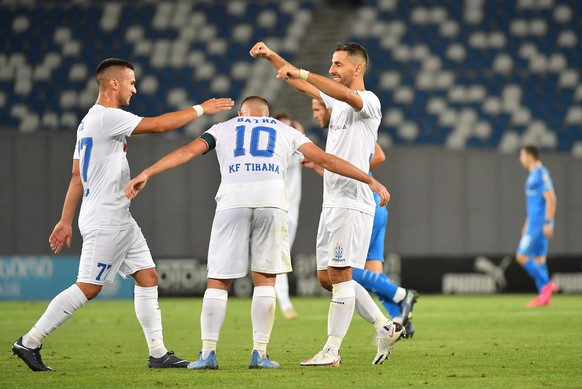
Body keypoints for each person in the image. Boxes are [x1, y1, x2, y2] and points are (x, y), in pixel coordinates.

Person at [124, 96, 390, 370]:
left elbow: (187, 152)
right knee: (265, 280)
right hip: (272, 203)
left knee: (218, 281)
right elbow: (326, 159)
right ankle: (259, 354)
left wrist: (148, 172)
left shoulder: (223, 128)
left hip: (232, 202)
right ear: (269, 115)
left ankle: (207, 354)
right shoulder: (286, 130)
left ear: (242, 113)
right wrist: (368, 178)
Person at [11, 58, 234, 372]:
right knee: (89, 287)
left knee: (147, 277)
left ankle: (157, 353)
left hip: (117, 216)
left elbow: (77, 175)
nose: (135, 88)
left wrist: (65, 220)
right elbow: (158, 125)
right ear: (113, 83)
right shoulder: (107, 117)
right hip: (106, 218)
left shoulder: (87, 121)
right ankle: (30, 341)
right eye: (131, 82)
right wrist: (201, 109)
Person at [250, 41, 405, 367]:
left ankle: (332, 350)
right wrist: (270, 58)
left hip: (351, 201)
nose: (333, 69)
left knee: (340, 273)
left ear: (357, 68)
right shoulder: (335, 98)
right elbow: (296, 80)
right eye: (331, 65)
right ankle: (386, 326)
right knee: (327, 278)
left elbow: (340, 92)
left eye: (338, 64)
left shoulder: (369, 101)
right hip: (333, 199)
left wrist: (304, 71)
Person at [307, 99, 418, 336]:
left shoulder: (349, 128)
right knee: (372, 272)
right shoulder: (346, 133)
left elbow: (378, 156)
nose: (315, 115)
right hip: (373, 205)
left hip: (362, 204)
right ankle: (401, 320)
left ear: (330, 107)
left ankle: (400, 294)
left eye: (317, 109)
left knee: (341, 270)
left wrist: (359, 171)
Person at [516, 145, 558, 307]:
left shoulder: (541, 174)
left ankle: (547, 285)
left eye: (522, 155)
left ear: (529, 155)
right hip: (534, 222)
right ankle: (545, 297)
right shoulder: (534, 175)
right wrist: (527, 223)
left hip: (540, 222)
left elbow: (551, 199)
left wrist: (548, 222)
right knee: (539, 260)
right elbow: (534, 203)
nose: (521, 159)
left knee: (521, 256)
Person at [273, 111, 303, 320]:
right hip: (276, 208)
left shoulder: (295, 148)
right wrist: (297, 130)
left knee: (279, 257)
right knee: (279, 257)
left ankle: (278, 301)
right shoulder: (275, 151)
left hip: (291, 212)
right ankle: (284, 303)